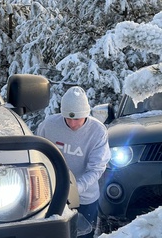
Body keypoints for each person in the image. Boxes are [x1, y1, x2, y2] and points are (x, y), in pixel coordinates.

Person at [36, 86, 111, 238]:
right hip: (52, 195)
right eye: (68, 118)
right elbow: (38, 154)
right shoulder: (49, 125)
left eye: (76, 118)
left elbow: (96, 168)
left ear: (86, 113)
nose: (72, 123)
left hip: (85, 199)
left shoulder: (97, 131)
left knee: (83, 234)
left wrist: (75, 189)